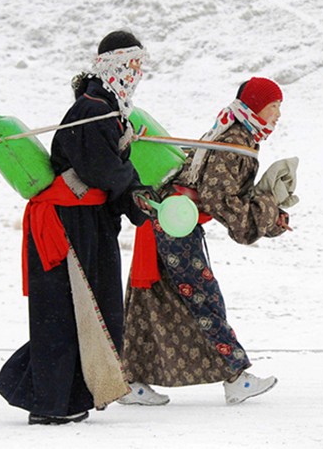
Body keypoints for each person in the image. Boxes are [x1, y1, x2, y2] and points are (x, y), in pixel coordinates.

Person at [0, 30, 149, 425]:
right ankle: (48, 403)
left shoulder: (108, 110)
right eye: (131, 64)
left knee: (92, 310)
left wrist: (136, 198)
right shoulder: (91, 110)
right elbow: (101, 169)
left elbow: (112, 169)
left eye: (139, 64)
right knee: (67, 310)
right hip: (68, 223)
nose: (137, 72)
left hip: (88, 221)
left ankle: (67, 396)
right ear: (113, 65)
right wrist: (136, 196)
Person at [119, 76, 297, 406]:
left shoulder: (235, 134)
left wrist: (271, 217)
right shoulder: (235, 140)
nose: (278, 114)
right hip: (177, 225)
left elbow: (228, 194)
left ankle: (130, 382)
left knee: (152, 299)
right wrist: (267, 210)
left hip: (170, 220)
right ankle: (236, 378)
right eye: (273, 106)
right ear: (256, 107)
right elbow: (219, 198)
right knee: (204, 299)